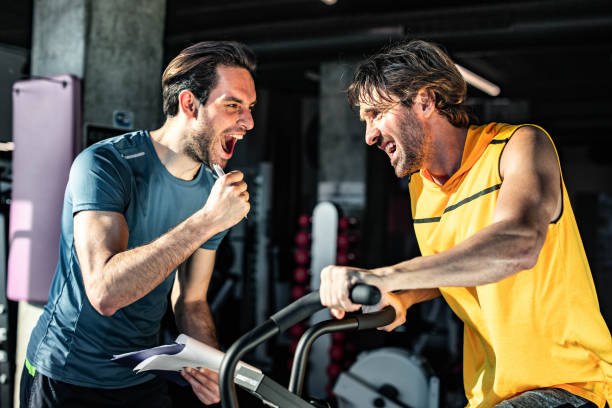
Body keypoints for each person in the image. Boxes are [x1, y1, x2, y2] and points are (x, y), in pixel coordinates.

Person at [319, 40, 612, 408]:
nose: (369, 135)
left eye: (377, 113)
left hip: (570, 385)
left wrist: (387, 275)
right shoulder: (420, 187)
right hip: (491, 394)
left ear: (425, 100)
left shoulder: (518, 147)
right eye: (366, 121)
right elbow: (455, 268)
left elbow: (517, 245)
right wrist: (403, 296)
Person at [20, 41, 257, 407]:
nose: (248, 121)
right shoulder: (107, 165)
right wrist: (206, 221)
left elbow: (191, 301)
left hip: (138, 372)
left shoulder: (213, 190)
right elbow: (105, 293)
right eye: (232, 106)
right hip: (66, 374)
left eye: (249, 108)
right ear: (189, 104)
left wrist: (211, 367)